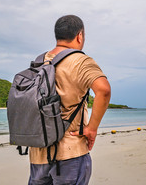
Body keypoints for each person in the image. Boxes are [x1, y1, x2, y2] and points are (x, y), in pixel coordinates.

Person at [28, 15, 111, 185]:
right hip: (70, 151)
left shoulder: (38, 62)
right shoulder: (80, 61)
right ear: (80, 35)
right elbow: (103, 90)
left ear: (57, 36)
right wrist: (92, 129)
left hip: (38, 152)